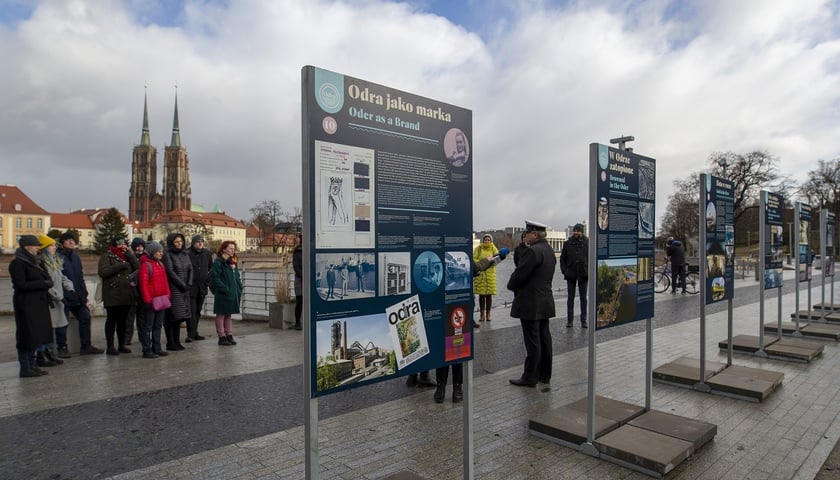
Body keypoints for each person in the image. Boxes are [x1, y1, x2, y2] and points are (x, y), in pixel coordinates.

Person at [433, 248, 508, 403]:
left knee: (449, 349)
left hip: (450, 309)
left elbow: (477, 268)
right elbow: (478, 267)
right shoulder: (459, 255)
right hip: (455, 310)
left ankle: (443, 389)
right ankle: (455, 389)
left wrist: (493, 258)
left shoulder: (443, 256)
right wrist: (494, 259)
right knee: (455, 349)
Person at [507, 220, 556, 387]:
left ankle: (530, 377)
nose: (524, 235)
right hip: (545, 301)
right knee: (544, 339)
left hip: (530, 303)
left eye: (527, 232)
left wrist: (510, 285)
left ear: (534, 234)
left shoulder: (533, 252)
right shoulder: (548, 250)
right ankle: (545, 374)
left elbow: (520, 274)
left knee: (532, 341)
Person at [10, 235, 54, 378]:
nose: (37, 247)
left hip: (38, 303)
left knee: (36, 335)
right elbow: (20, 284)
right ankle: (25, 367)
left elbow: (46, 278)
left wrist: (47, 281)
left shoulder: (35, 261)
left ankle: (33, 365)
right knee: (27, 335)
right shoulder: (18, 263)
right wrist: (43, 284)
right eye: (35, 245)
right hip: (26, 304)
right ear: (26, 246)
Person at [56, 232, 104, 356]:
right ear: (62, 242)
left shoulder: (76, 257)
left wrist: (84, 292)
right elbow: (58, 278)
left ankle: (86, 346)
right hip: (64, 295)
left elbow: (80, 275)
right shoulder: (58, 257)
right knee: (62, 321)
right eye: (68, 240)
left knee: (85, 317)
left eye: (73, 240)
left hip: (78, 294)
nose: (72, 242)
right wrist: (64, 293)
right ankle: (62, 347)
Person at [98, 237, 139, 355]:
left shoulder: (127, 256)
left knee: (123, 321)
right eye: (120, 244)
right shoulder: (107, 256)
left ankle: (122, 344)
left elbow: (138, 267)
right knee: (112, 320)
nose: (123, 246)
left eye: (124, 244)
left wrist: (130, 255)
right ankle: (110, 346)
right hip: (113, 293)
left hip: (126, 292)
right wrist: (120, 266)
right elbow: (103, 272)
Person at [40, 234, 71, 367]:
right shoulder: (43, 263)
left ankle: (53, 352)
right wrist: (59, 296)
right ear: (45, 248)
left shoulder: (55, 261)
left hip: (59, 298)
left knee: (60, 325)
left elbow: (61, 277)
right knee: (49, 328)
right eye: (52, 246)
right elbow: (46, 283)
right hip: (51, 300)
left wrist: (70, 288)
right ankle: (47, 352)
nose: (54, 248)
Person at [137, 241, 170, 358]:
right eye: (159, 252)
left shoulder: (160, 264)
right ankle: (147, 349)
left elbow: (165, 282)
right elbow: (143, 284)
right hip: (151, 301)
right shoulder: (146, 265)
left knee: (158, 325)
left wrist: (167, 295)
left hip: (161, 300)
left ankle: (157, 347)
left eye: (161, 251)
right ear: (152, 252)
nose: (161, 253)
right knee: (148, 326)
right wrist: (147, 299)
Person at [162, 233, 193, 351]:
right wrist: (182, 284)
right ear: (171, 243)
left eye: (181, 241)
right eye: (176, 242)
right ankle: (171, 342)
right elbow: (170, 271)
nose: (179, 244)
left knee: (180, 317)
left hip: (185, 290)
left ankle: (177, 341)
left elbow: (190, 269)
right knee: (172, 317)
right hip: (174, 289)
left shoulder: (185, 254)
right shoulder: (168, 255)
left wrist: (189, 283)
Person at [210, 241, 243, 346]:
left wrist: (239, 287)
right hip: (223, 292)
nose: (233, 250)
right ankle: (221, 336)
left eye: (234, 248)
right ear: (224, 249)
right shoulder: (219, 262)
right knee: (221, 314)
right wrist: (224, 288)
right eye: (230, 248)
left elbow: (237, 276)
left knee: (228, 314)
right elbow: (215, 278)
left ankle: (229, 335)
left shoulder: (233, 262)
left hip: (233, 292)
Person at [559, 223, 588, 328]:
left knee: (583, 299)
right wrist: (564, 271)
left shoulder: (588, 242)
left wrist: (588, 270)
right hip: (571, 274)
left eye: (578, 231)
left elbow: (591, 258)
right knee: (570, 298)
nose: (576, 232)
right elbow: (562, 259)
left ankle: (583, 320)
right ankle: (569, 320)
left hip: (583, 274)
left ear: (582, 231)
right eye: (575, 231)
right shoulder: (567, 243)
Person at [187, 234, 212, 341]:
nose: (200, 243)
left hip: (202, 287)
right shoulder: (187, 253)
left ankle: (195, 332)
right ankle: (190, 334)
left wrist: (207, 280)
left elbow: (211, 267)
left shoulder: (206, 253)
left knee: (197, 311)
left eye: (202, 241)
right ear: (193, 243)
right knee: (191, 311)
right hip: (190, 287)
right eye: (198, 241)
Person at [473, 234, 500, 325]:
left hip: (490, 275)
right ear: (483, 241)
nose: (487, 241)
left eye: (488, 240)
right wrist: (482, 263)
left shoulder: (494, 249)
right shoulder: (478, 249)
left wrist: (490, 263)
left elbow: (497, 259)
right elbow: (474, 259)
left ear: (491, 241)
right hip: (480, 274)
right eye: (485, 240)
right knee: (481, 296)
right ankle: (481, 314)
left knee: (489, 296)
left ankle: (488, 314)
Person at [126, 237, 147, 347]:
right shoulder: (129, 258)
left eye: (141, 246)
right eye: (137, 247)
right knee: (130, 317)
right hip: (131, 291)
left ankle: (142, 336)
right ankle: (127, 338)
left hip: (142, 291)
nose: (139, 249)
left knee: (142, 317)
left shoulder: (146, 258)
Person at [292, 234, 303, 330]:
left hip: (307, 280)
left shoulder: (308, 251)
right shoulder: (296, 253)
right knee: (299, 302)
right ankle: (297, 322)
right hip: (300, 280)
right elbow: (296, 267)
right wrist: (304, 275)